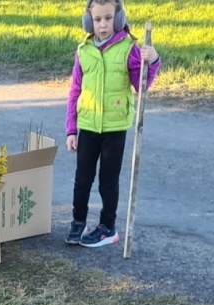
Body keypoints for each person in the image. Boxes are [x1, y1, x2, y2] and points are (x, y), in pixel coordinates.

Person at [64, 0, 159, 248]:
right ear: (89, 21)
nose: (103, 25)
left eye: (108, 18)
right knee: (82, 178)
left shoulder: (129, 47)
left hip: (114, 128)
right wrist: (71, 129)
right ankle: (78, 221)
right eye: (97, 20)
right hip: (88, 125)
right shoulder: (83, 50)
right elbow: (75, 90)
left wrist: (153, 60)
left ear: (117, 19)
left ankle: (108, 227)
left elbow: (142, 84)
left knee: (108, 180)